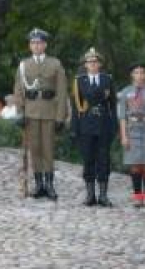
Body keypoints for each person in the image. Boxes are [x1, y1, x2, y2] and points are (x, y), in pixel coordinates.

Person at [14, 28, 68, 200]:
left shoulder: (55, 64)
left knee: (48, 149)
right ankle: (39, 184)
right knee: (35, 149)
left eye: (39, 43)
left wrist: (61, 116)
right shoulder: (24, 65)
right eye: (33, 43)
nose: (36, 46)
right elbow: (19, 91)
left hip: (49, 111)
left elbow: (61, 90)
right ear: (30, 46)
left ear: (45, 45)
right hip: (31, 112)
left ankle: (50, 184)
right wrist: (20, 112)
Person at [70, 48, 117, 206]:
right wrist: (74, 128)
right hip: (86, 124)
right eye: (89, 62)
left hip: (103, 123)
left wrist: (114, 125)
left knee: (104, 159)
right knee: (88, 158)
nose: (92, 64)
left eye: (95, 62)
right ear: (85, 64)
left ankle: (103, 195)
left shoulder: (107, 80)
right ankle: (90, 195)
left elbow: (112, 104)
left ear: (100, 64)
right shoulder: (79, 81)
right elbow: (76, 107)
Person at [118, 63, 145, 207]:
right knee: (134, 165)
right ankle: (137, 195)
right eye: (136, 73)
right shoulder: (126, 92)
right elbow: (122, 117)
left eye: (142, 72)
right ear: (131, 75)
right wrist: (123, 136)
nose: (139, 76)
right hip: (132, 131)